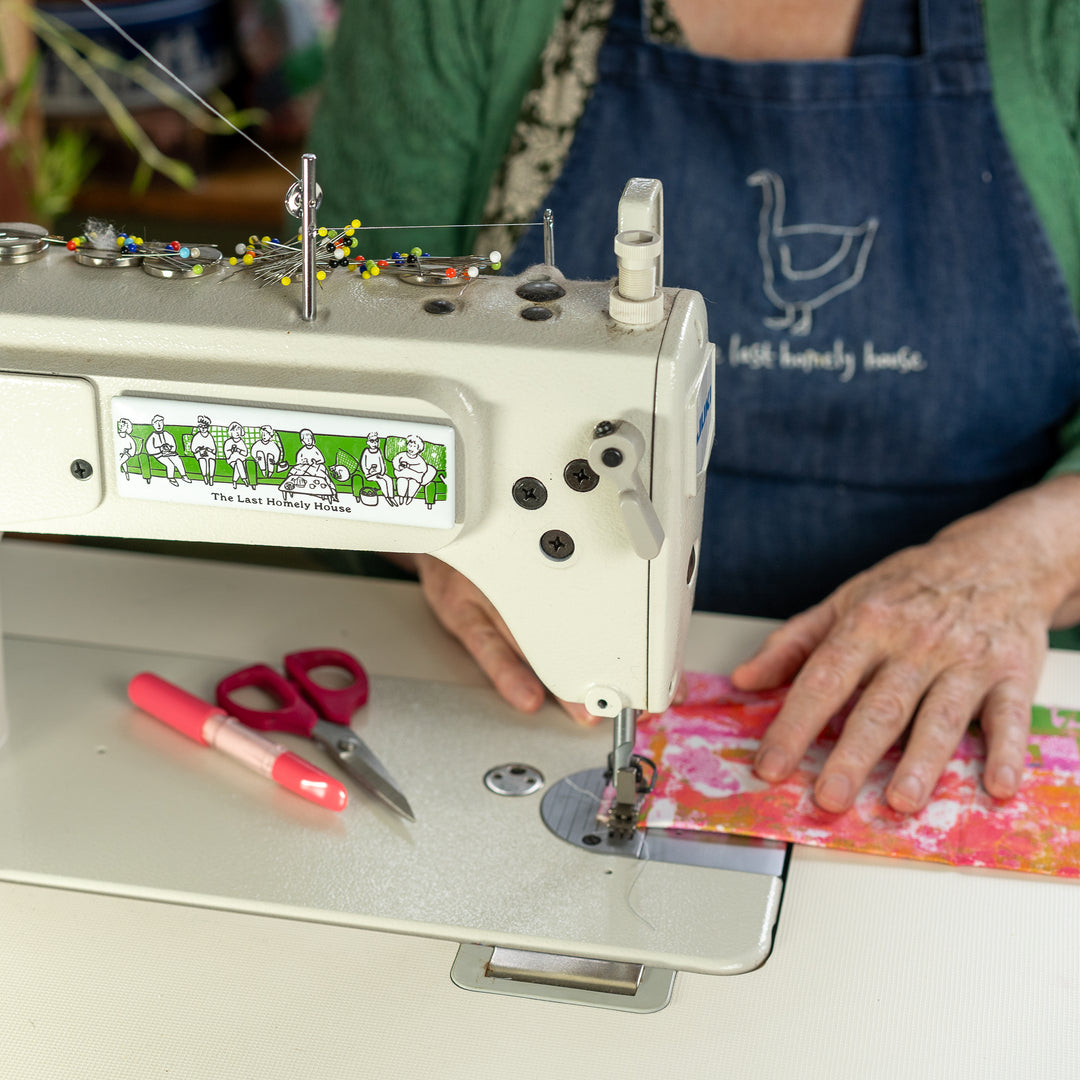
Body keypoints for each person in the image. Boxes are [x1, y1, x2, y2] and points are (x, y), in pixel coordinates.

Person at [310, 0, 1080, 816]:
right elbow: (348, 372)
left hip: (958, 712)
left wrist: (1025, 562)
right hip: (507, 690)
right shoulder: (452, 15)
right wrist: (438, 524)